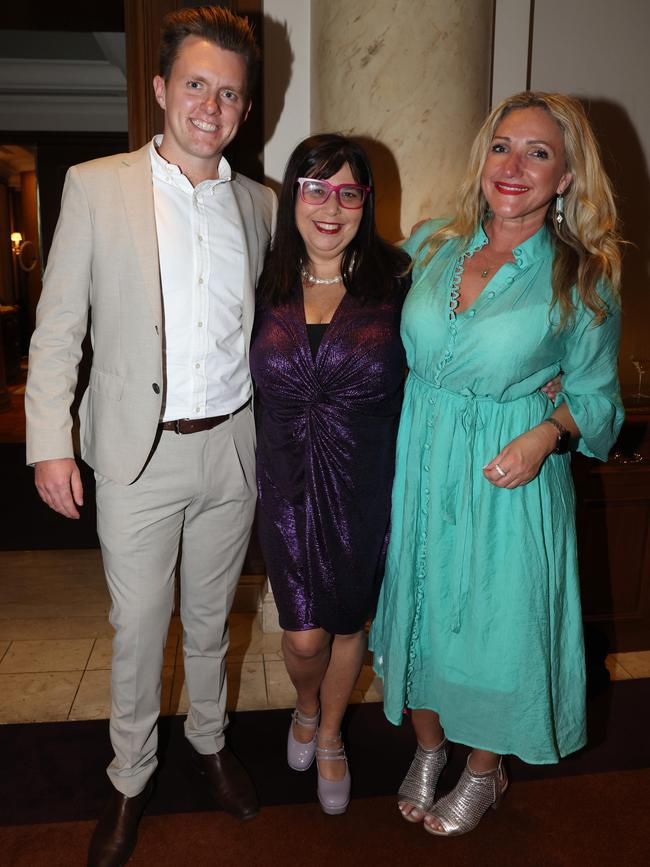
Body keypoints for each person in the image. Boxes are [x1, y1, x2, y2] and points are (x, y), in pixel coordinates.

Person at [25, 7, 276, 865]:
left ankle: (208, 743)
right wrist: (48, 440)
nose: (212, 105)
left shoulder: (261, 204)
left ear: (245, 109)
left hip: (231, 450)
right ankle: (130, 777)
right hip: (137, 452)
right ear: (164, 89)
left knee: (210, 623)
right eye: (197, 84)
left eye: (231, 93)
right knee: (139, 626)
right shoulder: (97, 185)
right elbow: (59, 327)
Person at [369, 91, 624, 836]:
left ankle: (483, 768)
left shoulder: (580, 277)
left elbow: (599, 399)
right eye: (503, 146)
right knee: (418, 609)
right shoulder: (429, 245)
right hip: (421, 460)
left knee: (495, 626)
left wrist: (547, 432)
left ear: (568, 175)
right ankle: (427, 746)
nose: (515, 166)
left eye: (539, 152)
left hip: (508, 471)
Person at [250, 134, 410, 814]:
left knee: (348, 623)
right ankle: (307, 704)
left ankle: (333, 731)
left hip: (363, 481)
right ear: (294, 198)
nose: (331, 205)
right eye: (316, 188)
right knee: (302, 633)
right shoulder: (261, 277)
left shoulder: (400, 280)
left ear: (365, 203)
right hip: (283, 481)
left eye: (348, 191)